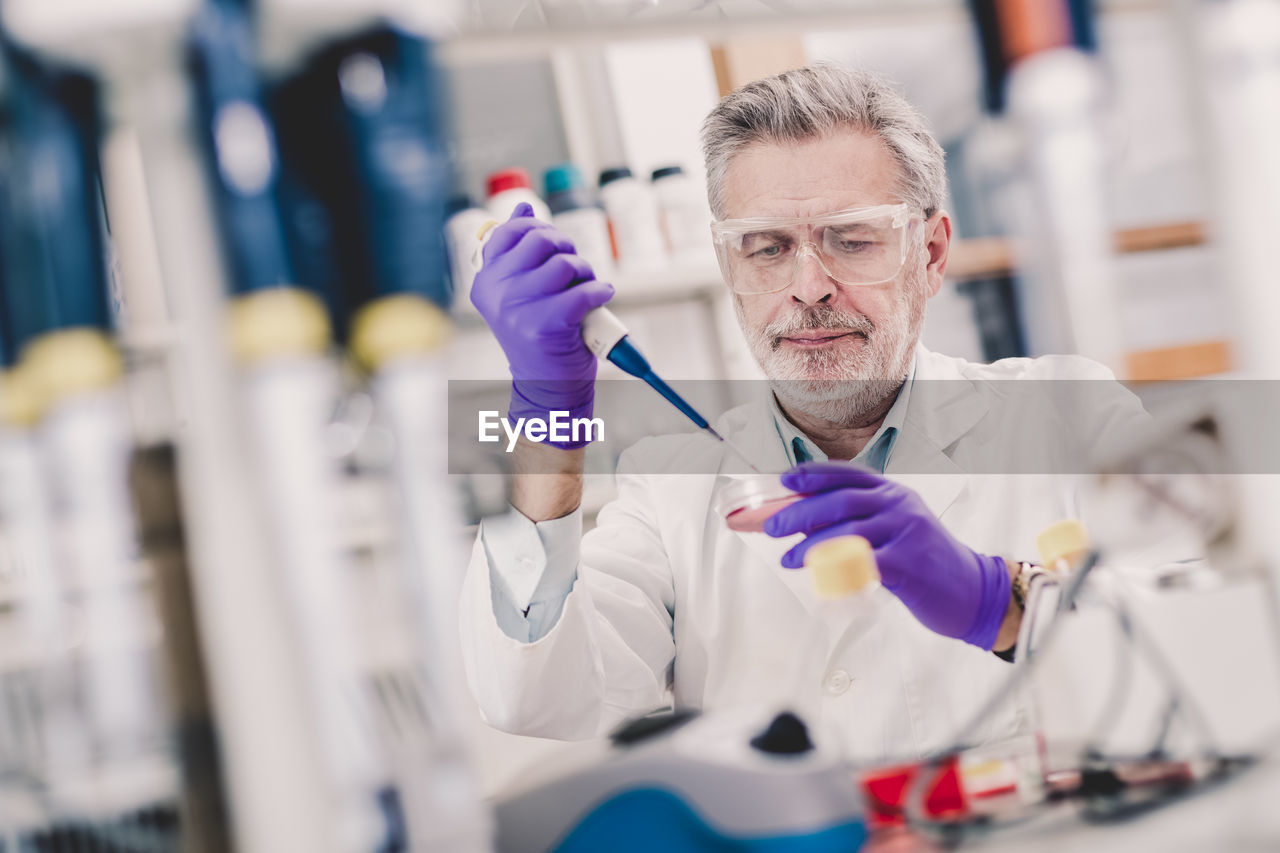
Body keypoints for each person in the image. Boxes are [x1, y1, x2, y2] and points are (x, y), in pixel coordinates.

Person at [460, 64, 1145, 763]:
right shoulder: (668, 487)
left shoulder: (1068, 414)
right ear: (730, 265)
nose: (809, 288)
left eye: (852, 239)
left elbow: (1212, 640)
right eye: (768, 247)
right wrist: (545, 413)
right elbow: (537, 692)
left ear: (931, 254)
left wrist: (996, 603)